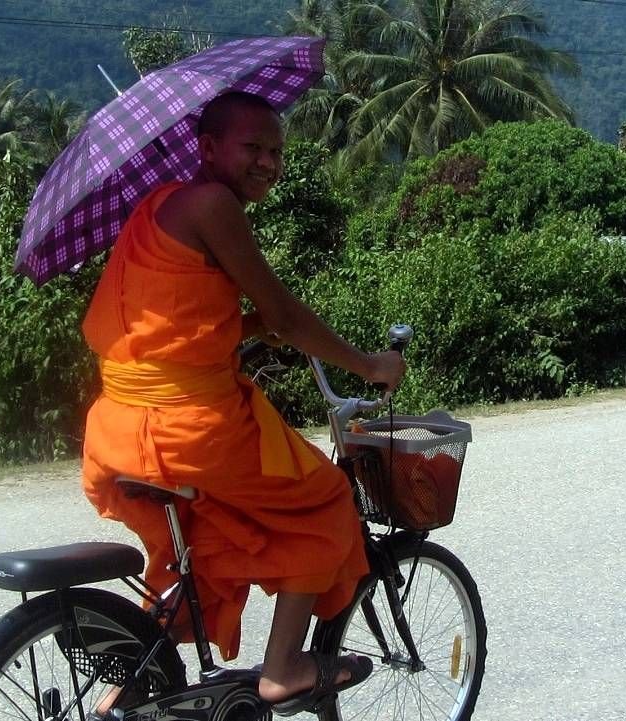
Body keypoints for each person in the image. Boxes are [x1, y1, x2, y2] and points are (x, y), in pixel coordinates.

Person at [78, 90, 405, 714]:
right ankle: (282, 669)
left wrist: (243, 330)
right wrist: (370, 364)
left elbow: (177, 321)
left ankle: (132, 684)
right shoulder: (213, 203)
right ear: (207, 148)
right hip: (188, 431)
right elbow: (284, 315)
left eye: (277, 150)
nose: (268, 162)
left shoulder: (159, 206)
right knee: (325, 500)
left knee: (195, 542)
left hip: (117, 428)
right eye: (252, 147)